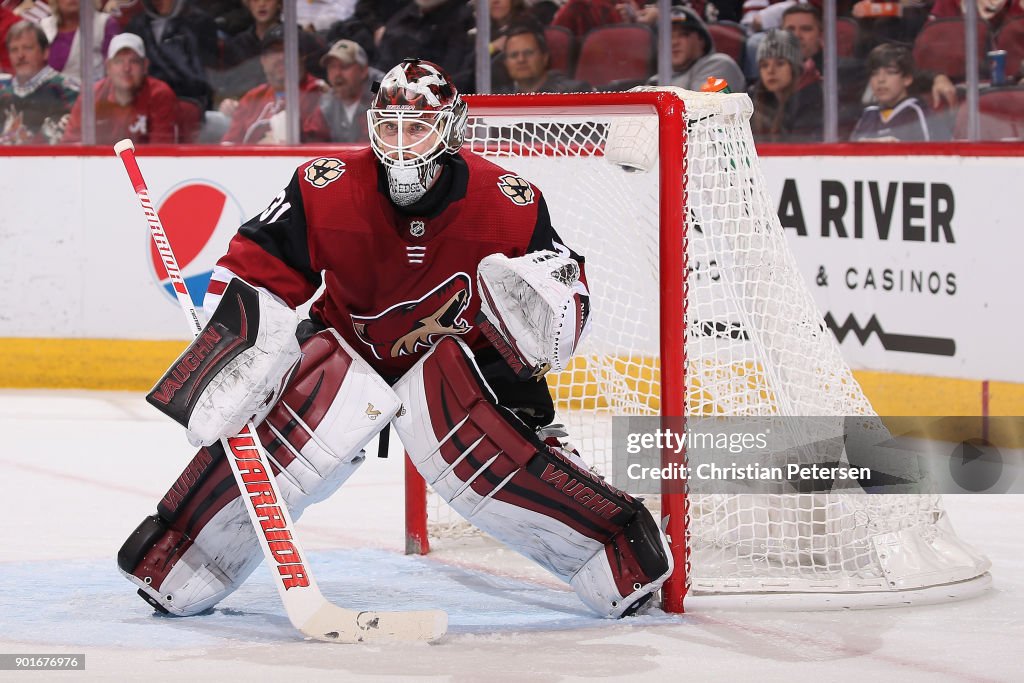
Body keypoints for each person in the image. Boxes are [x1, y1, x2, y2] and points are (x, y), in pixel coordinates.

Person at [115, 58, 673, 622]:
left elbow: (555, 303)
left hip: (464, 364)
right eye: (390, 128)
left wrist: (550, 321)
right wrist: (232, 359)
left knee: (496, 455)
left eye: (418, 128)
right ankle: (179, 561)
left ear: (451, 128)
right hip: (348, 352)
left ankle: (615, 555)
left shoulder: (509, 201)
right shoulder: (324, 186)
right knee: (305, 414)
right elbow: (254, 272)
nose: (402, 146)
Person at [219, 24, 328, 144]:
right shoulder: (252, 98)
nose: (281, 57)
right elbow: (229, 144)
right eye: (274, 51)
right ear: (263, 60)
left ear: (301, 57)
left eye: (287, 50)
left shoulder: (316, 93)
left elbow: (316, 146)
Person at [61, 31, 176, 143]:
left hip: (141, 162)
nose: (126, 68)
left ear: (145, 66)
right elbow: (70, 147)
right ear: (108, 67)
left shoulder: (159, 95)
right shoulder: (91, 96)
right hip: (100, 162)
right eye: (119, 62)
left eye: (134, 62)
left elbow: (160, 153)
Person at [126, 0, 218, 111]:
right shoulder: (136, 26)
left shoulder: (199, 22)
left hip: (189, 103)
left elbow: (203, 73)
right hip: (148, 103)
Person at [0, 20, 79, 144]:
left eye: (27, 48)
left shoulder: (67, 91)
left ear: (45, 52)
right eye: (14, 50)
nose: (20, 55)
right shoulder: (3, 92)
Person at [374, 0, 474, 92]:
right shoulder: (401, 20)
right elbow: (380, 70)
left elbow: (457, 77)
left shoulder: (465, 22)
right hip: (397, 99)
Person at [748, 27, 822, 141]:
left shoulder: (814, 98)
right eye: (764, 65)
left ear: (795, 67)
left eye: (780, 63)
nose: (770, 71)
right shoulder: (753, 99)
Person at [647, 6, 746, 91]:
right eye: (667, 38)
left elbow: (704, 110)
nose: (674, 42)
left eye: (683, 35)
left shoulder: (719, 64)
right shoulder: (654, 81)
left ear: (701, 40)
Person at [851, 42, 930, 141]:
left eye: (890, 72)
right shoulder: (868, 115)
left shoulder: (916, 112)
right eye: (874, 74)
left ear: (907, 79)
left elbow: (932, 154)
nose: (880, 79)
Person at [40, 0, 121, 88]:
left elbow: (115, 70)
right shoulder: (44, 25)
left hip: (90, 95)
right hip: (45, 95)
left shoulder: (105, 23)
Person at [496, 23, 591, 93]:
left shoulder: (574, 92)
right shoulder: (498, 97)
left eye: (528, 53)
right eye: (514, 55)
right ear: (506, 63)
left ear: (545, 58)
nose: (521, 59)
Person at [314, 38, 373, 142]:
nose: (337, 73)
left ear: (363, 71)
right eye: (332, 67)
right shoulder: (324, 105)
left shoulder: (383, 101)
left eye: (344, 66)